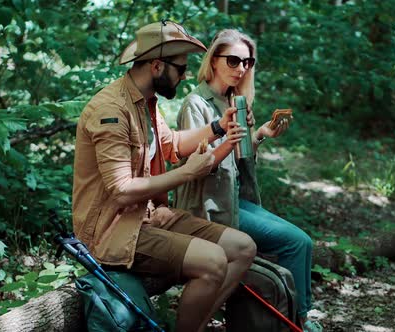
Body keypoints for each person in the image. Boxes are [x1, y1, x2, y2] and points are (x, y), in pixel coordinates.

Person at [71, 21, 256, 332]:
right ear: (157, 65)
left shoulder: (146, 102)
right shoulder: (111, 110)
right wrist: (185, 174)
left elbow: (171, 145)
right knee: (213, 261)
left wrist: (218, 128)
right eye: (181, 69)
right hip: (112, 230)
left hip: (149, 216)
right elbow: (121, 191)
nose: (185, 77)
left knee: (243, 248)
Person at [173, 29, 322, 332]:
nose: (241, 68)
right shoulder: (196, 104)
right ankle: (297, 323)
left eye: (247, 62)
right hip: (209, 207)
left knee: (300, 241)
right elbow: (200, 166)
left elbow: (235, 160)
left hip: (235, 199)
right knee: (295, 242)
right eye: (233, 60)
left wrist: (258, 137)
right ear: (214, 61)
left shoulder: (233, 99)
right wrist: (228, 139)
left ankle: (294, 316)